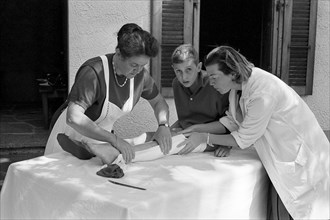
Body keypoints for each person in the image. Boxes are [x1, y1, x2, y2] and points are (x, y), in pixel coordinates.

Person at [182, 45, 329, 219]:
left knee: (306, 212)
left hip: (303, 164)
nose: (210, 82)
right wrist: (196, 129)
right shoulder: (237, 89)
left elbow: (243, 139)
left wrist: (204, 137)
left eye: (214, 77)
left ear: (232, 73)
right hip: (284, 162)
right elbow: (231, 122)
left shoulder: (263, 92)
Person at [44, 23, 172, 164]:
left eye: (143, 66)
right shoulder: (94, 71)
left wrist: (163, 125)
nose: (138, 70)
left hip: (100, 143)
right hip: (69, 137)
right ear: (118, 54)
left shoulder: (141, 76)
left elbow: (158, 102)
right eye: (134, 65)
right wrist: (115, 140)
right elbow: (73, 117)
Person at [170, 44, 231, 156]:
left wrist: (226, 145)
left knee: (165, 149)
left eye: (188, 69)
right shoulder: (176, 84)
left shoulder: (214, 84)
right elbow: (186, 117)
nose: (184, 77)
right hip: (186, 133)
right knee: (153, 138)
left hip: (210, 138)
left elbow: (230, 121)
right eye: (178, 71)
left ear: (198, 67)